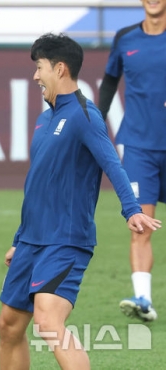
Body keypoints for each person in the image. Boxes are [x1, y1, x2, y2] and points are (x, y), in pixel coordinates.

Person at [0, 33, 161, 370]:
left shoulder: (85, 115)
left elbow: (112, 163)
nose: (35, 76)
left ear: (60, 69)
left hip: (65, 241)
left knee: (48, 322)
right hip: (31, 241)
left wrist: (131, 209)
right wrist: (19, 240)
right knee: (9, 326)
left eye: (39, 68)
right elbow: (39, 186)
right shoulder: (44, 120)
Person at [98, 0, 166, 322]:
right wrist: (97, 123)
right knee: (140, 226)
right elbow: (110, 80)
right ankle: (143, 300)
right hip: (138, 146)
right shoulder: (125, 38)